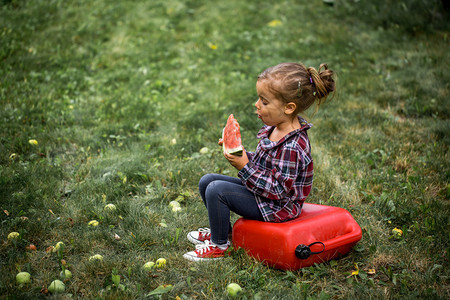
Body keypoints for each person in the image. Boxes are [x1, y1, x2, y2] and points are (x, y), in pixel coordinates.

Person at [183, 62, 336, 261]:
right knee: (207, 181)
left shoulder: (292, 146)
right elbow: (265, 163)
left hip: (278, 207)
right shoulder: (277, 127)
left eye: (264, 101)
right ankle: (223, 233)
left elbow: (278, 190)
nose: (257, 104)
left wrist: (244, 167)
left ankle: (220, 246)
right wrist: (241, 153)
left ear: (289, 108)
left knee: (216, 190)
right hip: (265, 194)